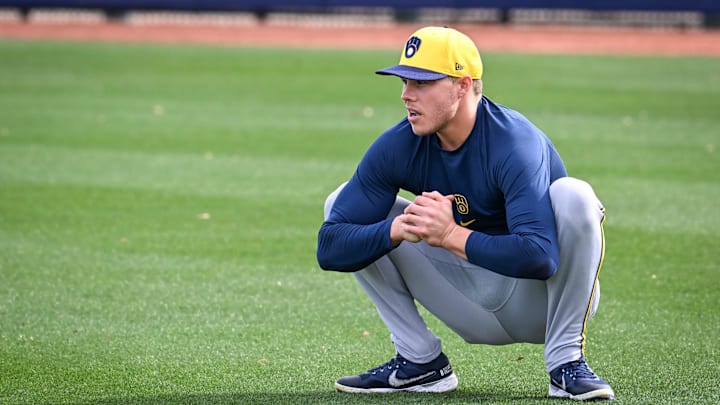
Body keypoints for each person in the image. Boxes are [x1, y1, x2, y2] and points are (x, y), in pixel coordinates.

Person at [316, 26, 615, 401]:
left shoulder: (514, 143)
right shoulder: (399, 144)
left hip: (542, 304)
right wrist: (395, 229)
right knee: (341, 205)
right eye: (405, 81)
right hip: (466, 300)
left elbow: (540, 255)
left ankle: (566, 362)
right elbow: (329, 248)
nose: (407, 95)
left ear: (462, 85)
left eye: (422, 83)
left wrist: (449, 236)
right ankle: (420, 361)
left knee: (575, 196)